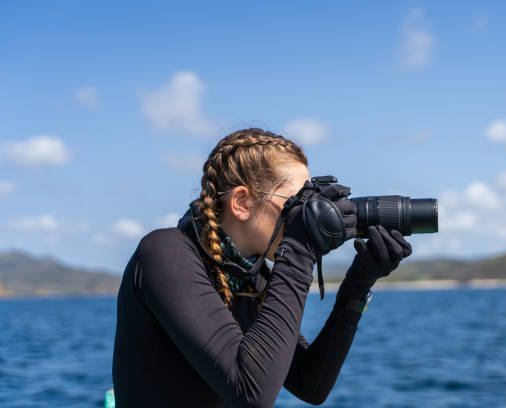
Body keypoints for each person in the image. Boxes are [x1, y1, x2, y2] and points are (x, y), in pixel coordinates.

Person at [111, 128, 412, 407]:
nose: (302, 214)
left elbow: (311, 385)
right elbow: (251, 394)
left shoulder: (248, 277)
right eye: (296, 202)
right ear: (241, 202)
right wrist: (298, 248)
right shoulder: (165, 254)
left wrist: (357, 285)